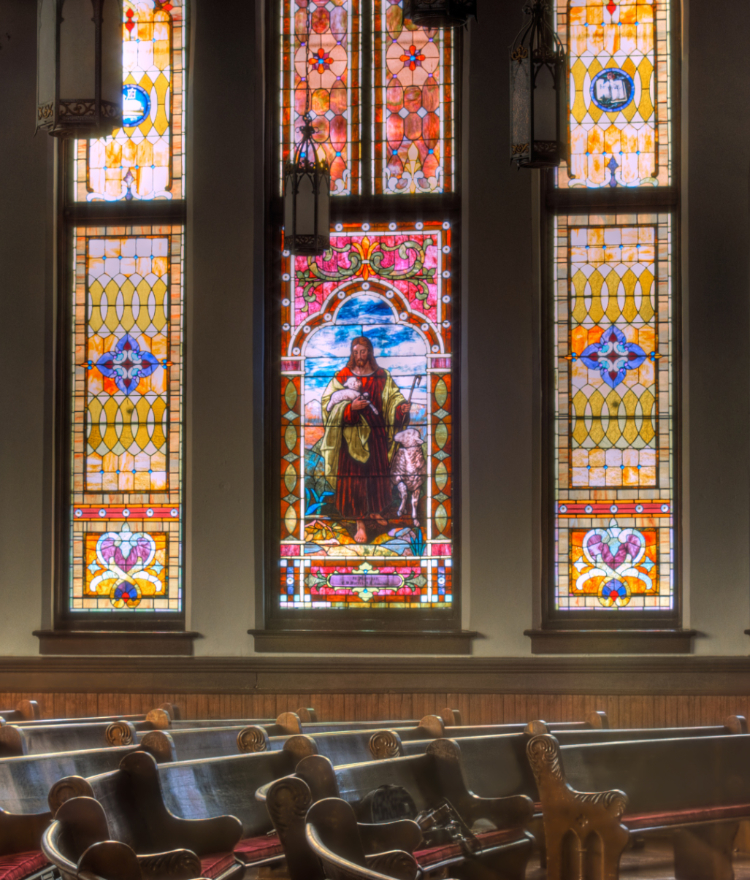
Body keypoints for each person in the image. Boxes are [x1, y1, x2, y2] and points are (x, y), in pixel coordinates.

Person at [321, 336, 411, 544]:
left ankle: (375, 511)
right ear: (352, 354)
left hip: (377, 437)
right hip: (349, 438)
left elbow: (393, 399)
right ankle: (359, 521)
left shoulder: (382, 376)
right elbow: (329, 403)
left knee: (376, 477)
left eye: (363, 352)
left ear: (370, 352)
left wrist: (401, 409)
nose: (360, 356)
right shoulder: (341, 377)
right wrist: (349, 409)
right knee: (356, 480)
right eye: (356, 352)